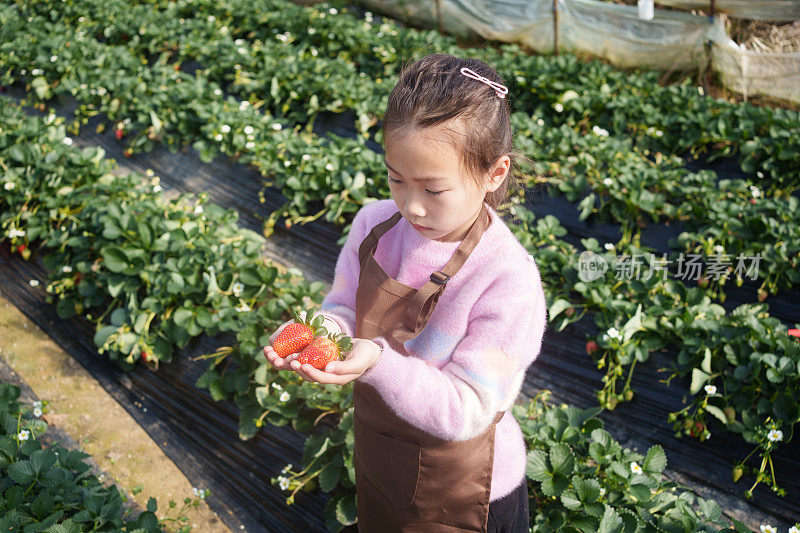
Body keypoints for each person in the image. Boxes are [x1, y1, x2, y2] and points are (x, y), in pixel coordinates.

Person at [263, 53, 547, 532]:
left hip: (466, 491)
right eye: (397, 178)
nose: (411, 205)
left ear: (494, 174)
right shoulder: (375, 226)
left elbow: (467, 409)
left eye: (434, 189)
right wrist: (321, 333)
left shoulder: (507, 280)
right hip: (382, 458)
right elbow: (342, 306)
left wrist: (375, 361)